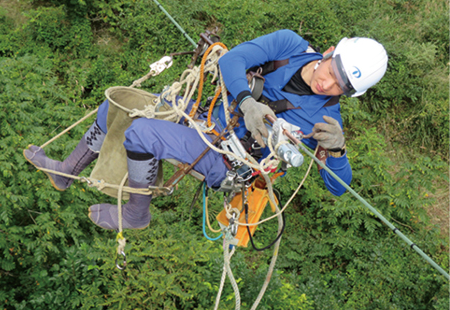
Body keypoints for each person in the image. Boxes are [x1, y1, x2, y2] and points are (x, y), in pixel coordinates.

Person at [24, 29, 388, 230]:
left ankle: (136, 213)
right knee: (121, 102)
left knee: (141, 134)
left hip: (227, 158)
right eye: (332, 72)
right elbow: (234, 59)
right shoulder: (289, 46)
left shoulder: (325, 120)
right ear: (327, 53)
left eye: (341, 86)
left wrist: (337, 152)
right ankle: (67, 171)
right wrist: (246, 102)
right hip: (202, 112)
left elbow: (339, 189)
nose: (328, 84)